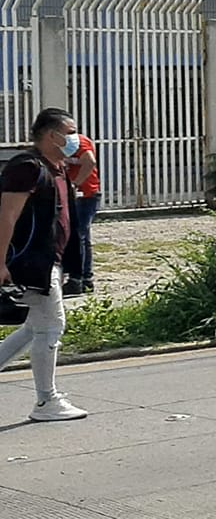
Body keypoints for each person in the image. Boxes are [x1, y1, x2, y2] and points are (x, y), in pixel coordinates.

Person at [0, 108, 89, 421]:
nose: (75, 137)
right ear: (53, 135)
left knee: (32, 328)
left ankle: (46, 400)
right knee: (51, 327)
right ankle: (46, 402)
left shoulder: (57, 167)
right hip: (31, 261)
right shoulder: (27, 167)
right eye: (70, 131)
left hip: (50, 259)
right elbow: (6, 216)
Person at [59, 130, 99, 296]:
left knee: (78, 236)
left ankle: (77, 279)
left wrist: (75, 184)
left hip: (85, 194)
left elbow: (89, 161)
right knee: (83, 237)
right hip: (82, 194)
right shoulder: (61, 145)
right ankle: (85, 278)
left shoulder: (78, 143)